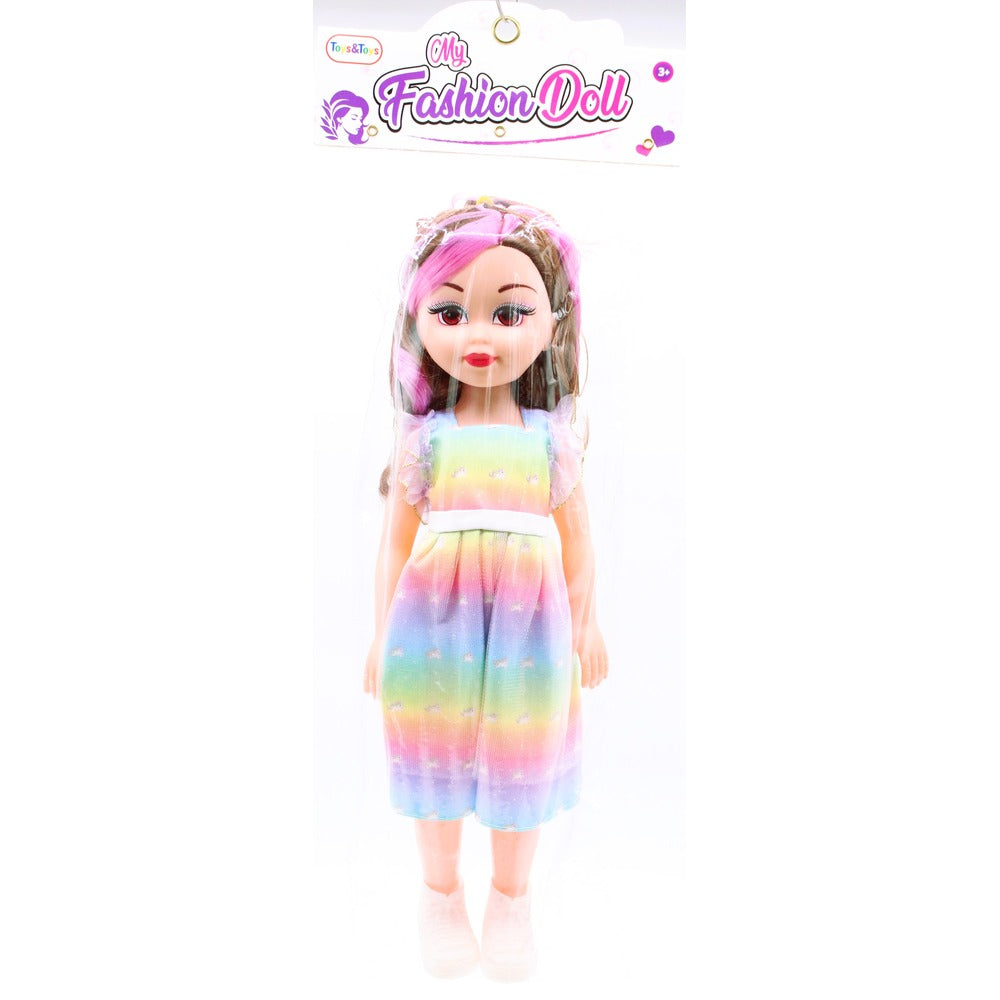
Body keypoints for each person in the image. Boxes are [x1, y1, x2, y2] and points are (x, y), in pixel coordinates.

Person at [363, 197, 608, 981]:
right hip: (430, 620)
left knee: (520, 752)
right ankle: (439, 894)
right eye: (449, 311)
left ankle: (512, 897)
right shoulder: (424, 440)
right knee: (431, 745)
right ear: (418, 320)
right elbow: (395, 543)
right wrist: (379, 634)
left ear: (551, 322)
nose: (478, 335)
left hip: (531, 627)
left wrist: (589, 623)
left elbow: (579, 541)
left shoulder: (552, 440)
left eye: (509, 312)